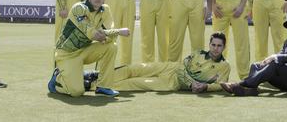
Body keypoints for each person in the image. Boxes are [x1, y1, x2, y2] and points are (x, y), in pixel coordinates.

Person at [48, 0, 130, 97]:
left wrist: (106, 35)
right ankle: (57, 79)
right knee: (77, 92)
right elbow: (93, 34)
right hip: (66, 54)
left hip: (84, 50)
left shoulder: (106, 10)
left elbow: (109, 37)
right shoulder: (79, 8)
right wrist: (119, 31)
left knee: (111, 46)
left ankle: (103, 87)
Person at [89, 33, 230, 93]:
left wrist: (205, 87)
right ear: (209, 44)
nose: (215, 48)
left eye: (219, 46)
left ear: (224, 47)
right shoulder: (198, 53)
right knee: (134, 69)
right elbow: (182, 66)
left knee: (135, 83)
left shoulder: (224, 66)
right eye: (213, 45)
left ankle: (93, 85)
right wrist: (191, 83)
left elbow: (220, 85)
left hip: (172, 83)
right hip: (169, 67)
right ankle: (97, 76)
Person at [220, 12, 287, 96]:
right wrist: (265, 62)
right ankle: (251, 90)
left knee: (275, 63)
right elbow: (280, 56)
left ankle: (241, 84)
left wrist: (275, 57)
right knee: (256, 65)